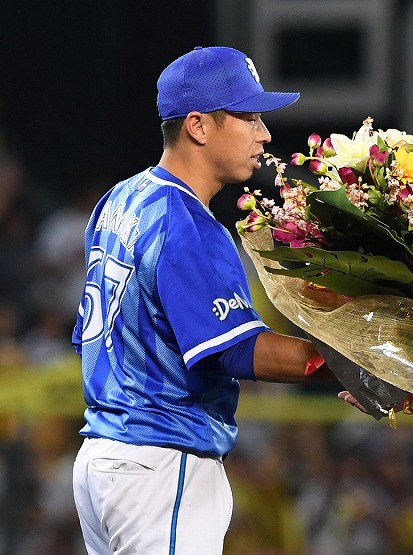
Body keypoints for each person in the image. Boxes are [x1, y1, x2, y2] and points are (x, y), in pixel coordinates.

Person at [71, 46, 332, 554]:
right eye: (249, 117)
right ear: (198, 126)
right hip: (160, 465)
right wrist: (354, 361)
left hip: (101, 460)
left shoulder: (121, 199)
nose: (265, 134)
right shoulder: (185, 223)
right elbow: (237, 351)